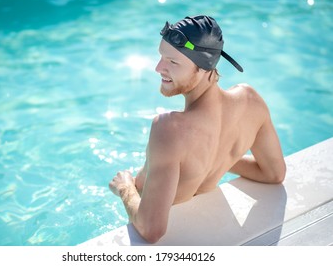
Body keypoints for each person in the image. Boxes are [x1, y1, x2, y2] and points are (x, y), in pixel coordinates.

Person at [109, 15, 286, 244]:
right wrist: (221, 156)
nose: (158, 68)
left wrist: (125, 189)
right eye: (161, 57)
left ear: (204, 67)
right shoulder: (251, 102)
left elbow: (151, 229)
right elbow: (274, 174)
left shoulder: (169, 129)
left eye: (173, 62)